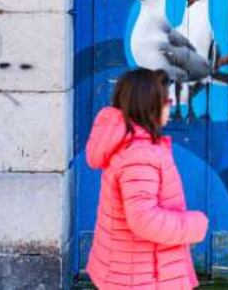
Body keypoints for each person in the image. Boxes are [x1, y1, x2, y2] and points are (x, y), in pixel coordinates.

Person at [85, 68, 209, 289]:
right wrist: (193, 226)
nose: (171, 107)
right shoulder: (139, 155)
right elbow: (143, 220)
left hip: (131, 269)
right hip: (141, 277)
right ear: (150, 105)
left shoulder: (127, 142)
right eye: (167, 101)